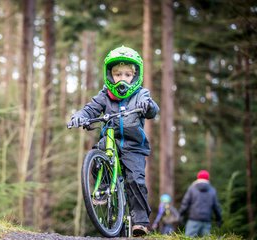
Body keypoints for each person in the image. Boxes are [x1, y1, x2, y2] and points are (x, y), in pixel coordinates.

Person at [67, 46, 159, 236]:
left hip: (133, 146)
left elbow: (152, 110)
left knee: (135, 180)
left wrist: (147, 106)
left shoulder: (141, 94)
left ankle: (140, 221)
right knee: (97, 152)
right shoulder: (104, 96)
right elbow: (90, 109)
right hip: (110, 140)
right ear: (110, 75)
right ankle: (102, 188)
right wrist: (79, 116)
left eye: (127, 74)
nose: (122, 78)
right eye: (118, 74)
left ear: (135, 75)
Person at [179, 170, 222, 237]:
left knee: (189, 238)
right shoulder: (212, 190)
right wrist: (219, 219)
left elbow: (185, 203)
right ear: (208, 178)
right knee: (206, 238)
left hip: (193, 220)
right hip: (206, 221)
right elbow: (216, 206)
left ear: (198, 177)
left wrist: (181, 214)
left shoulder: (192, 188)